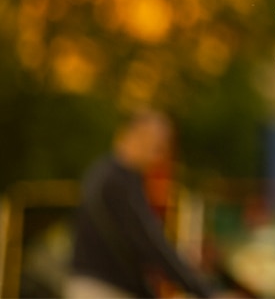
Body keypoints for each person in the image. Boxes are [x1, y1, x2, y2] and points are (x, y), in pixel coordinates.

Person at [66, 109, 216, 299]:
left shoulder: (105, 174)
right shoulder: (118, 182)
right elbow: (150, 241)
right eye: (157, 146)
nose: (159, 156)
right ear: (138, 136)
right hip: (104, 290)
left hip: (92, 286)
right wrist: (206, 292)